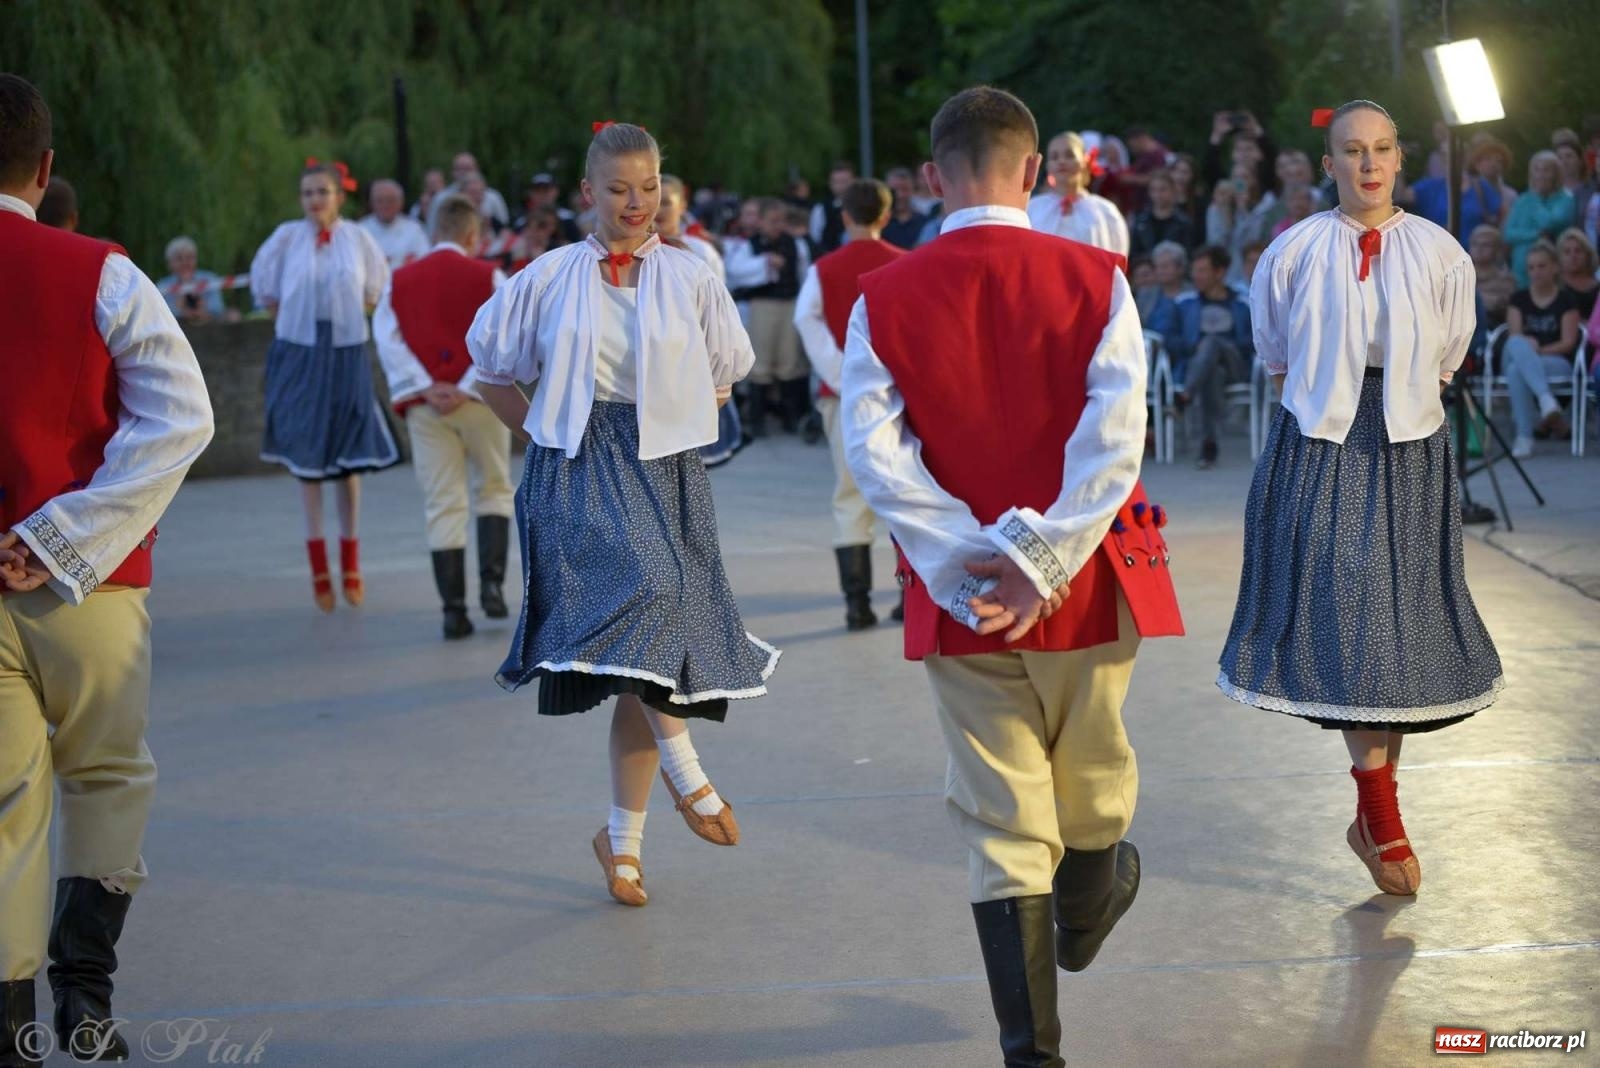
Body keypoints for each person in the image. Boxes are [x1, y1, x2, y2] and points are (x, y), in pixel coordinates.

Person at [842, 86, 1183, 1067]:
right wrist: (1041, 560)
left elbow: (878, 460)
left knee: (1000, 820)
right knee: (1092, 780)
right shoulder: (1096, 275)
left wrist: (964, 565)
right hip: (1086, 581)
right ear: (1034, 170)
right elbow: (1116, 439)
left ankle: (1030, 1054)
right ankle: (1082, 912)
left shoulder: (882, 297)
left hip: (963, 602)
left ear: (927, 179)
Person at [465, 121, 778, 909]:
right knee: (652, 599)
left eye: (650, 188)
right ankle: (691, 778)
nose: (637, 204)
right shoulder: (546, 275)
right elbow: (491, 371)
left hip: (663, 465)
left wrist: (676, 413)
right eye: (618, 189)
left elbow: (726, 371)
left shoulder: (691, 273)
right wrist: (546, 432)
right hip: (577, 462)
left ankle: (622, 845)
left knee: (648, 660)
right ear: (586, 194)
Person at [1220, 100, 1502, 899]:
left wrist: (1398, 402)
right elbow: (1274, 351)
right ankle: (1382, 810)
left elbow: (1449, 353)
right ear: (1329, 165)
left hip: (1408, 443)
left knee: (1397, 629)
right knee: (1352, 613)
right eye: (1352, 150)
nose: (1369, 163)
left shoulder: (1442, 253)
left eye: (1382, 148)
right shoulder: (1293, 251)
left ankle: (1373, 816)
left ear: (1401, 158)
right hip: (1320, 442)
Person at [0, 72, 214, 1063]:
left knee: (4, 808)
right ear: (44, 170)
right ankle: (87, 1009)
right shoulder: (102, 272)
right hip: (87, 589)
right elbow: (181, 417)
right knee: (107, 780)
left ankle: (7, 1033)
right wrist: (64, 535)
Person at [250, 160, 399, 612]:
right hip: (300, 352)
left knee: (346, 457)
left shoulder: (357, 239)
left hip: (345, 352)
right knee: (307, 457)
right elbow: (267, 291)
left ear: (339, 196)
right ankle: (319, 567)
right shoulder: (286, 239)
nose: (315, 200)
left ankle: (351, 557)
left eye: (323, 192)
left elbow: (376, 291)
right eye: (308, 193)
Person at [372, 195, 513, 640]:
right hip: (478, 402)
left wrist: (425, 384)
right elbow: (504, 332)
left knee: (442, 500)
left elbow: (388, 337)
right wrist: (468, 381)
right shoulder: (489, 275)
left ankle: (453, 610)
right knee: (494, 485)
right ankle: (491, 585)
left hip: (427, 406)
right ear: (474, 235)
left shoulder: (400, 280)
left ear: (432, 232)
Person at [792, 178, 906, 631]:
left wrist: (838, 373)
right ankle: (908, 595)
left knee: (849, 491)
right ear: (886, 215)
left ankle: (857, 604)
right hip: (897, 394)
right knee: (903, 489)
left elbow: (806, 317)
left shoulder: (825, 267)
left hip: (842, 397)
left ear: (844, 216)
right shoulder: (904, 263)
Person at [724, 197, 810, 436]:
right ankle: (758, 419)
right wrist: (764, 263)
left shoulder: (796, 244)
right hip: (762, 305)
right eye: (772, 221)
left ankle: (789, 417)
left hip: (789, 304)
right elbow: (735, 271)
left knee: (789, 358)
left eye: (781, 221)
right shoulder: (749, 245)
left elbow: (804, 273)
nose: (778, 226)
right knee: (760, 360)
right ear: (761, 222)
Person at [1165, 245, 1253, 469]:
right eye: (1195, 271)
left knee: (1213, 343)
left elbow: (1254, 341)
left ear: (1220, 272)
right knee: (1212, 372)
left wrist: (1217, 345)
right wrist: (1192, 346)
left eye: (1203, 270)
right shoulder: (1185, 303)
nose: (1197, 276)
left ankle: (1185, 396)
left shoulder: (1242, 303)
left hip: (1234, 364)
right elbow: (1171, 339)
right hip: (1202, 366)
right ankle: (1209, 445)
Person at [1501, 241, 1579, 456]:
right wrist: (1528, 348)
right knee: (1516, 344)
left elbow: (1568, 342)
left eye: (1542, 266)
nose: (1536, 272)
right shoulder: (1519, 299)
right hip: (1520, 354)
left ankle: (1524, 437)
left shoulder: (1566, 299)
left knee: (1516, 371)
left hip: (1555, 361)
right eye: (1531, 267)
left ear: (1555, 267)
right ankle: (1546, 400)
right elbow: (1515, 338)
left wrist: (1536, 352)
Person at [1026, 130, 1129, 256]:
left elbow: (1117, 258)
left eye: (1069, 155)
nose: (1061, 161)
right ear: (1048, 165)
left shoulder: (1106, 211)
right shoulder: (1033, 209)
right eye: (1054, 157)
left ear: (1085, 161)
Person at [1504, 151, 1577, 287]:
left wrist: (1536, 198)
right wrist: (1536, 234)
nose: (1541, 175)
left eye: (1546, 170)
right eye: (1537, 170)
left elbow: (1549, 224)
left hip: (1551, 271)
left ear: (1556, 174)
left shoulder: (1565, 200)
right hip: (1520, 271)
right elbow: (1508, 234)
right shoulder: (1523, 200)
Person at [358, 178, 430, 269]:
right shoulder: (360, 229)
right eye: (380, 201)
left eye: (391, 200)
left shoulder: (414, 229)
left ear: (401, 203)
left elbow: (424, 259)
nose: (385, 205)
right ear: (371, 203)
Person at [156, 235, 229, 320]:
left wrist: (204, 310)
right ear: (169, 264)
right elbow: (159, 314)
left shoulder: (209, 280)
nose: (185, 262)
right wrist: (179, 310)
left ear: (196, 259)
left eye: (189, 257)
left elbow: (218, 309)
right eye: (179, 258)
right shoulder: (163, 286)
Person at [1128, 169, 1195, 257]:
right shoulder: (1140, 221)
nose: (1157, 195)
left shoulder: (1183, 223)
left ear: (1173, 191)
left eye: (1162, 189)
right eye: (1153, 190)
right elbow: (1133, 253)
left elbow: (1188, 253)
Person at [1469, 224, 1516, 328]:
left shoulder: (1506, 280)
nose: (1479, 249)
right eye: (1475, 244)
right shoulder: (1460, 277)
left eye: (1486, 245)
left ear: (1497, 249)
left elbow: (1503, 306)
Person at [1135, 240, 1191, 324]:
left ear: (1180, 268)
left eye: (1165, 266)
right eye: (1158, 266)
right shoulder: (1146, 294)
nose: (1160, 271)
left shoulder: (1192, 294)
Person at [808, 159, 856, 254]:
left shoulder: (864, 207)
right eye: (837, 182)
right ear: (830, 184)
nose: (841, 186)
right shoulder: (820, 209)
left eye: (844, 181)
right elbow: (815, 239)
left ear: (853, 181)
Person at [881, 166, 930, 250]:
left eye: (905, 189)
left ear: (913, 190)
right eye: (895, 190)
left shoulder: (925, 222)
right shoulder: (879, 224)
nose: (900, 195)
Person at [1556, 227, 1599, 322]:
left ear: (1587, 255)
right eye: (1567, 252)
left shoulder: (1597, 288)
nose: (1573, 256)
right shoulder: (1554, 286)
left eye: (1578, 251)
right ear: (1559, 257)